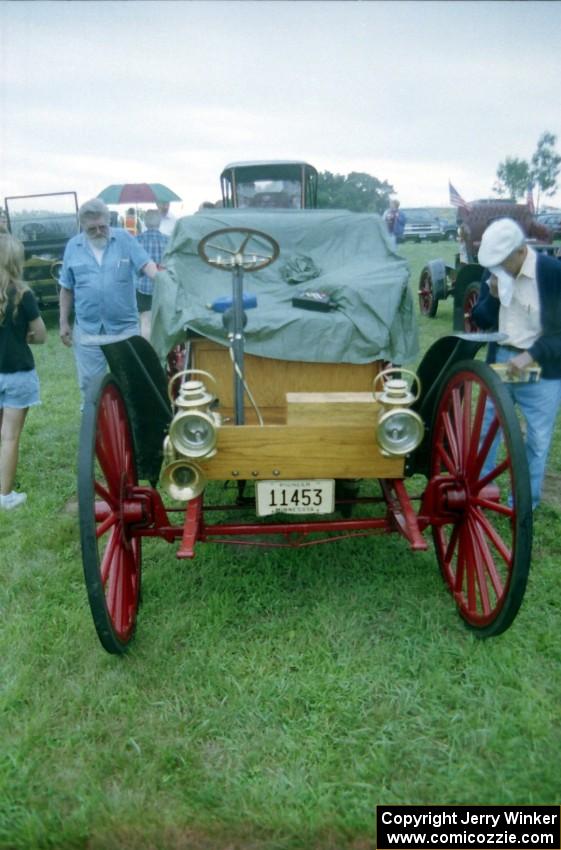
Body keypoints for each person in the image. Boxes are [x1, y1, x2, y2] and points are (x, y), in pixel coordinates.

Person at [472, 217, 561, 510]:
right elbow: (481, 319)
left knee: (537, 439)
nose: (497, 267)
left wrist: (531, 354)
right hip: (501, 360)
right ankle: (481, 491)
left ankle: (523, 503)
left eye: (503, 261)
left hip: (542, 370)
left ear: (521, 251)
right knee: (486, 428)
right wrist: (494, 297)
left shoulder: (551, 273)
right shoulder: (497, 270)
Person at [59, 198, 158, 405]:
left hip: (124, 329)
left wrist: (162, 279)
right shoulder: (73, 247)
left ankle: (132, 428)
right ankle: (95, 427)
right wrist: (63, 322)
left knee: (130, 382)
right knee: (90, 385)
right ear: (82, 226)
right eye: (92, 229)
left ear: (109, 221)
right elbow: (67, 288)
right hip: (88, 330)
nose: (98, 232)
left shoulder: (125, 239)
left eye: (102, 226)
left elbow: (147, 265)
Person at [0, 233, 47, 510]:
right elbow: (40, 335)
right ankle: (5, 496)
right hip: (18, 373)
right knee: (9, 436)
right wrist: (23, 338)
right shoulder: (22, 293)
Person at [134, 208, 168, 339]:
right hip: (162, 286)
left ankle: (147, 351)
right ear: (159, 222)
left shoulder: (137, 240)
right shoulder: (168, 240)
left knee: (145, 321)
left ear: (145, 222)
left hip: (142, 287)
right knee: (162, 321)